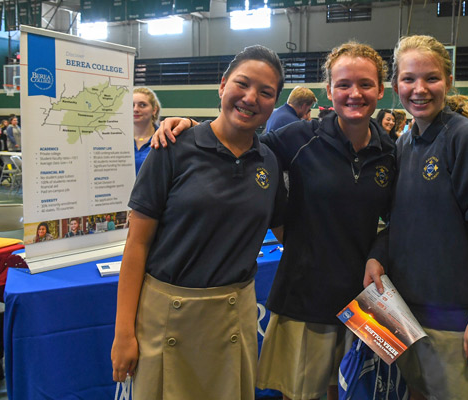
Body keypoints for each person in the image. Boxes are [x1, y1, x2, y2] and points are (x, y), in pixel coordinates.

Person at [152, 41, 398, 400]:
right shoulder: (296, 139)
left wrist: (379, 253)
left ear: (380, 89)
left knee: (363, 393)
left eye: (365, 84)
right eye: (343, 84)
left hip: (368, 302)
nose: (354, 94)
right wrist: (192, 128)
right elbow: (239, 143)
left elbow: (397, 220)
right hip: (305, 297)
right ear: (328, 91)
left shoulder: (391, 152)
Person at [111, 45, 286, 400]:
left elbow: (290, 234)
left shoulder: (269, 161)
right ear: (222, 85)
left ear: (274, 103)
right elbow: (137, 244)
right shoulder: (172, 147)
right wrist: (123, 334)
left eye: (266, 92)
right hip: (166, 319)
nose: (251, 98)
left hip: (234, 319)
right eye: (242, 84)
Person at [365, 34, 468, 399]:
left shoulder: (466, 139)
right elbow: (402, 217)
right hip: (409, 316)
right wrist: (377, 253)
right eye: (409, 79)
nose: (419, 89)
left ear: (448, 81)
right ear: (395, 84)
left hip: (457, 322)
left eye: (431, 78)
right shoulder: (404, 142)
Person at [133, 87, 161, 174]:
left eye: (142, 105)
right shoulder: (117, 140)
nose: (135, 109)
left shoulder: (164, 139)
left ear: (154, 110)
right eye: (132, 105)